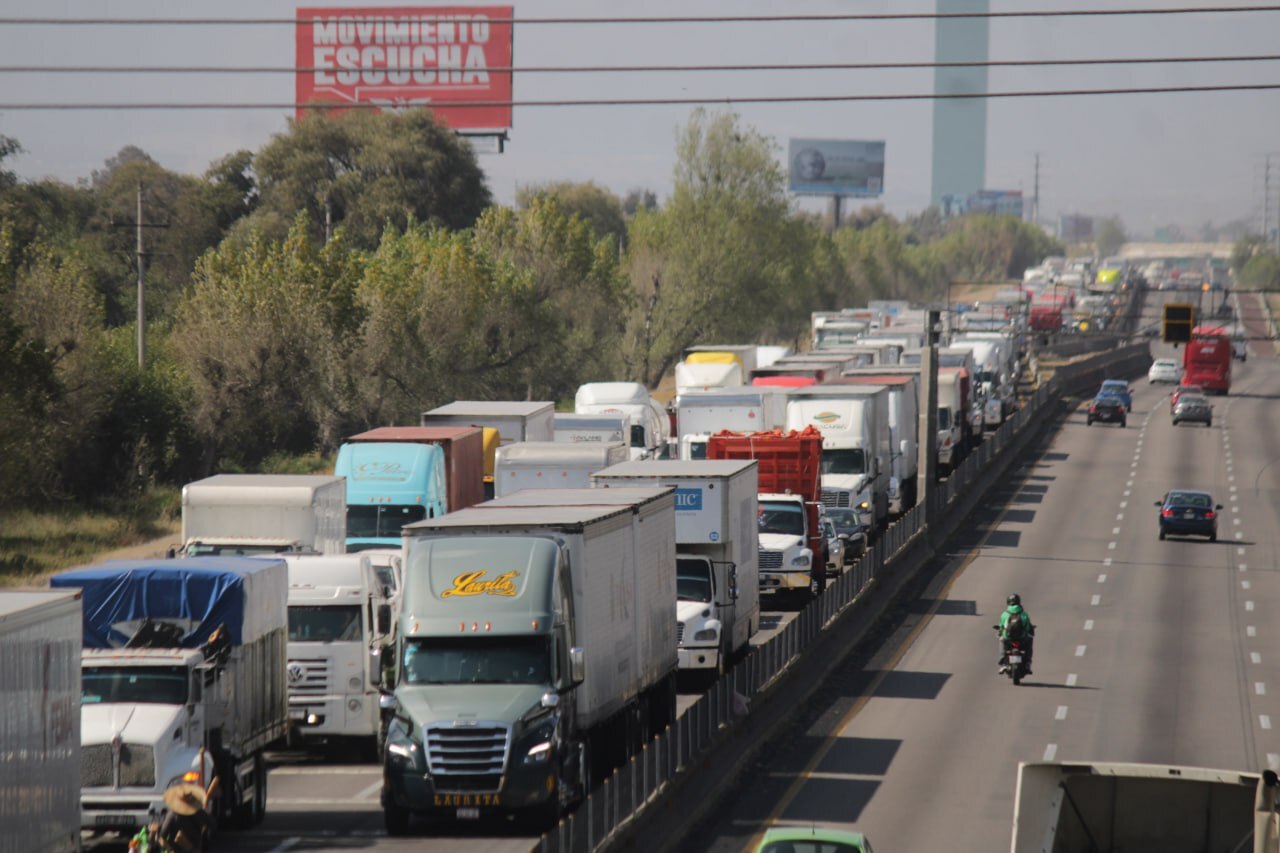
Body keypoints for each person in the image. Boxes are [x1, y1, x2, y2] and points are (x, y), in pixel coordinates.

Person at [997, 593, 1034, 674]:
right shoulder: (1024, 614)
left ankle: (1003, 661)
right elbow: (1027, 627)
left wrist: (1000, 633)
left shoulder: (1004, 614)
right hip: (1022, 638)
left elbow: (1001, 627)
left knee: (1001, 640)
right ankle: (1028, 662)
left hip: (1008, 638)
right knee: (1029, 641)